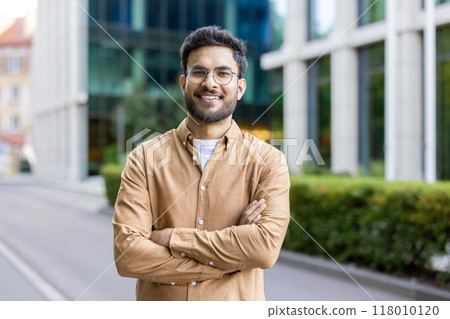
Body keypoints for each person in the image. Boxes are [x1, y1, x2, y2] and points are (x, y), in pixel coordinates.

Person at [113, 26, 290, 301]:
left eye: (223, 73)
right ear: (184, 83)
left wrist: (171, 238)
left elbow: (264, 249)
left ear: (240, 88)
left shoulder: (268, 162)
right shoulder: (144, 158)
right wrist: (231, 258)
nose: (210, 83)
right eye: (199, 72)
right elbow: (128, 256)